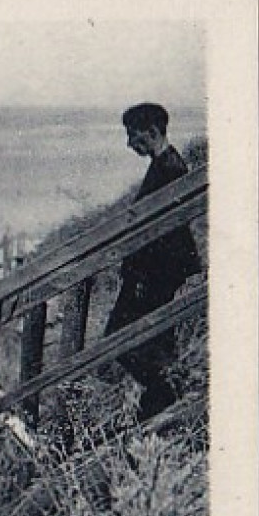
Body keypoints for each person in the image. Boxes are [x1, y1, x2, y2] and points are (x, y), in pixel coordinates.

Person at [106, 102, 205, 421]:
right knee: (145, 339)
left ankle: (165, 394)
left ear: (151, 132)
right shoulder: (165, 165)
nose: (129, 144)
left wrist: (139, 274)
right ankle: (162, 396)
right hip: (154, 272)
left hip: (155, 274)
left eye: (132, 136)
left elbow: (166, 232)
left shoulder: (170, 169)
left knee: (120, 338)